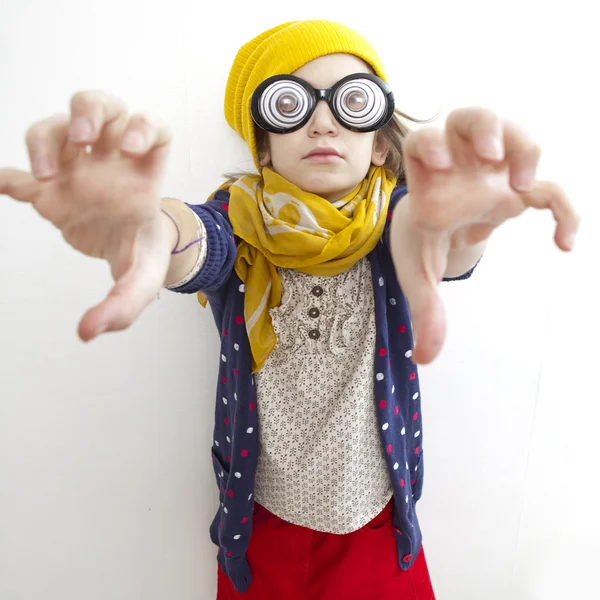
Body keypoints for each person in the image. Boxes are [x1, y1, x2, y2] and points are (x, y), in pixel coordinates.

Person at [0, 19, 580, 600]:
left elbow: (439, 244)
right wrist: (146, 225)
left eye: (351, 101)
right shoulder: (238, 220)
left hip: (377, 523)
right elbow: (195, 243)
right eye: (292, 104)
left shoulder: (397, 220)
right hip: (259, 526)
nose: (322, 120)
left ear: (379, 142)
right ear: (264, 144)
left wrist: (461, 218)